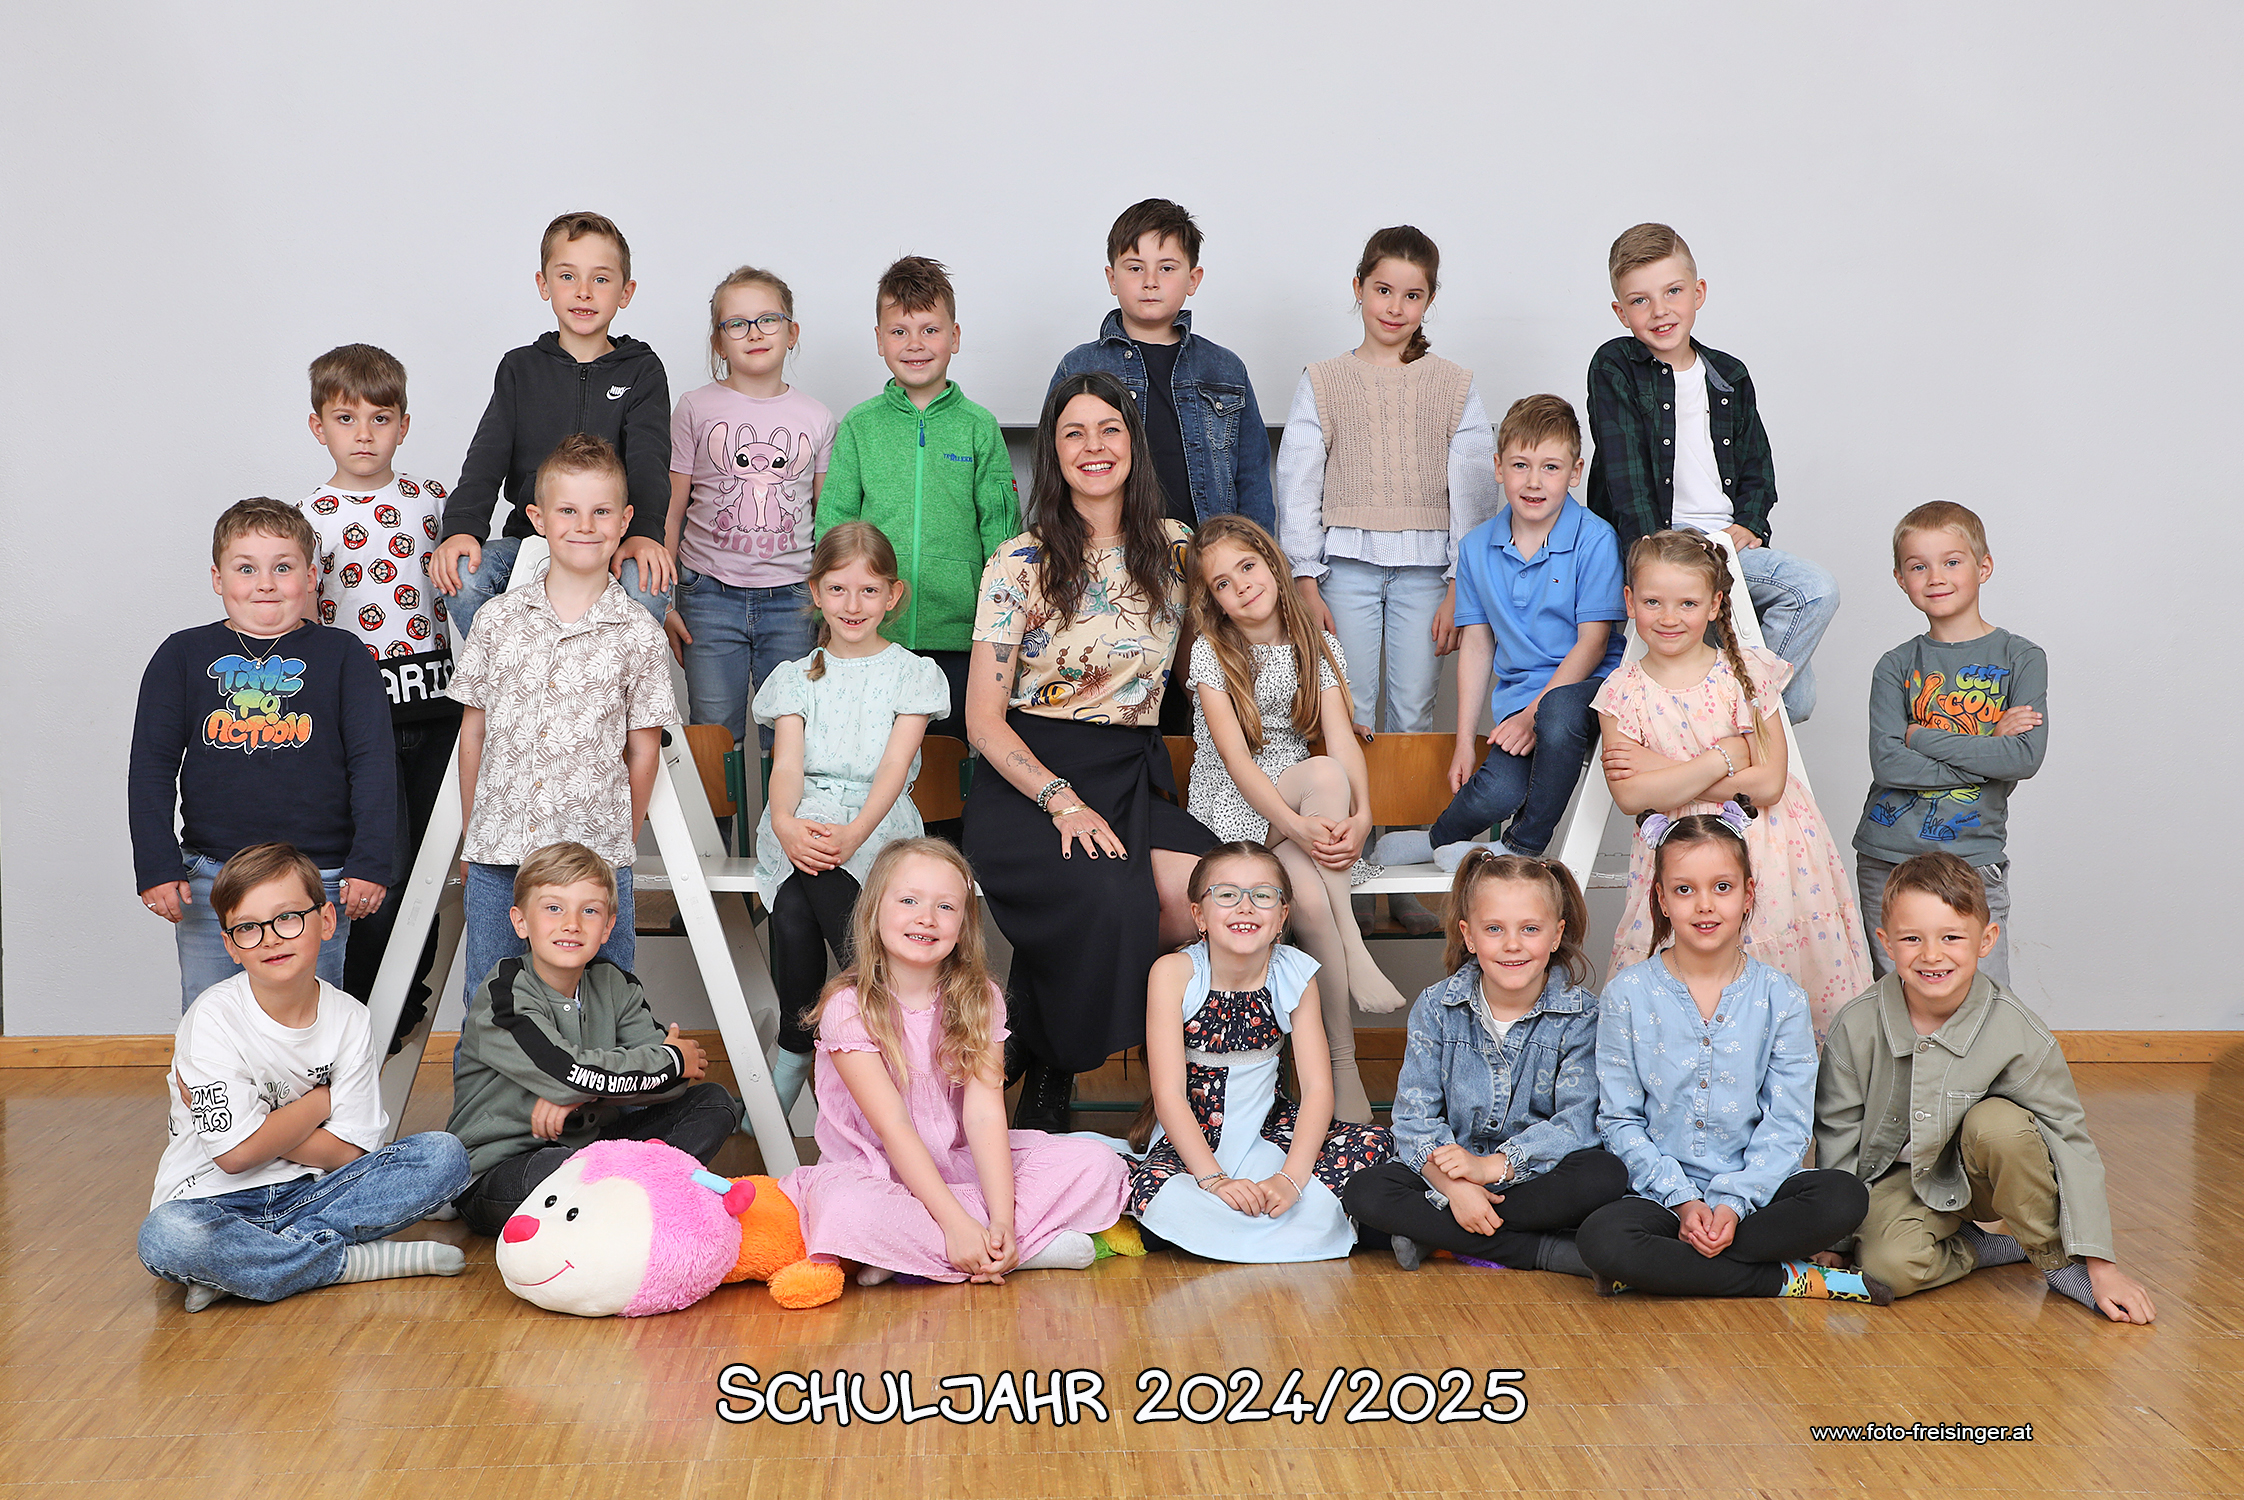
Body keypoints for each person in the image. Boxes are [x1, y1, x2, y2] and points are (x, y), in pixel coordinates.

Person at [962, 371, 1218, 1132]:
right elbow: (982, 721)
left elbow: (1216, 655)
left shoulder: (1177, 550)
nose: (1093, 446)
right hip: (1029, 777)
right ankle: (1057, 1066)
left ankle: (1035, 1044)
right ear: (1054, 451)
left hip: (1131, 771)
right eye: (1074, 433)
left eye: (1109, 429)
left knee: (1215, 896)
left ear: (1133, 443)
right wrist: (1061, 800)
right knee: (1108, 894)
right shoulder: (1019, 561)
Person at [1274, 224, 1500, 934]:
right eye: (1382, 290)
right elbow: (1298, 479)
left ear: (1429, 300)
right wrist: (1304, 578)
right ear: (1358, 289)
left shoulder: (1452, 384)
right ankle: (1353, 878)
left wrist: (1462, 584)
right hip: (1343, 564)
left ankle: (1403, 879)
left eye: (1412, 295)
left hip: (1427, 571)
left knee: (1411, 716)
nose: (1395, 307)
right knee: (1350, 717)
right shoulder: (1323, 379)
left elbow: (1474, 490)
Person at [777, 840, 1137, 1284]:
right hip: (876, 1171)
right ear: (873, 911)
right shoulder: (849, 1007)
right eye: (908, 901)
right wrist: (954, 1222)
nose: (926, 917)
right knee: (845, 1211)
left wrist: (1003, 1219)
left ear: (964, 926)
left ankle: (965, 1248)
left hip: (957, 1161)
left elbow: (985, 1116)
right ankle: (1010, 1245)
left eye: (945, 906)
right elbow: (893, 1127)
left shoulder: (981, 998)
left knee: (1099, 1164)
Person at [1814, 853, 2153, 1322]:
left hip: (1978, 1177)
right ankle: (1983, 1247)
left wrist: (2101, 1265)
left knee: (1999, 1126)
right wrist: (1833, 1240)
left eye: (1951, 937)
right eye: (1912, 938)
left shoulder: (2017, 1031)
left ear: (1986, 940)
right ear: (1885, 942)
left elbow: (2069, 1138)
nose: (1932, 955)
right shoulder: (1855, 1025)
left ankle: (2053, 1260)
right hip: (1893, 1181)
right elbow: (1837, 1134)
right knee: (1887, 1269)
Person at [138, 843, 469, 1311]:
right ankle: (347, 1262)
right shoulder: (212, 1017)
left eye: (288, 918)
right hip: (211, 1202)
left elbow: (351, 1153)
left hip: (316, 1193)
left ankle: (248, 1267)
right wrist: (319, 1103)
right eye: (248, 928)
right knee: (168, 1236)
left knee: (444, 1155)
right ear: (231, 946)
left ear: (326, 921)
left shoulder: (350, 1018)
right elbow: (234, 1157)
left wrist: (258, 1129)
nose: (271, 938)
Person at [1577, 811, 1888, 1303]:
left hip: (1756, 1199)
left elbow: (1788, 1122)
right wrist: (1682, 1201)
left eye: (1722, 887)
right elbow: (1619, 1119)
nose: (1705, 905)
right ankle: (1785, 1280)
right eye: (1684, 890)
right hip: (1659, 1200)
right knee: (1602, 1238)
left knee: (1843, 1198)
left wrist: (1732, 1203)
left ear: (1748, 894)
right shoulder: (1627, 995)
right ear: (1661, 898)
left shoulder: (1782, 998)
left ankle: (1667, 1270)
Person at [1594, 530, 1869, 1031]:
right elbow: (1631, 794)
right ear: (1630, 601)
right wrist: (1724, 757)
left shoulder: (1746, 675)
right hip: (1676, 850)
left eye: (1687, 603)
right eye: (1653, 602)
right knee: (1680, 995)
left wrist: (1662, 768)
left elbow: (1768, 786)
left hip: (1768, 846)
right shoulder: (1621, 692)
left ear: (1715, 604)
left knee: (1773, 979)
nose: (1669, 617)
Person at [131, 498, 397, 1010]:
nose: (265, 584)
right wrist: (156, 863)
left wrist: (370, 861)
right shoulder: (180, 655)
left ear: (312, 577)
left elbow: (373, 766)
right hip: (211, 876)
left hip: (318, 877)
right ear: (218, 578)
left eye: (283, 567)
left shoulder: (345, 656)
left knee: (306, 1017)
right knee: (211, 1016)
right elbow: (151, 769)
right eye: (246, 568)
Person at [1182, 513, 1405, 1124]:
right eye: (1223, 583)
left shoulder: (1316, 643)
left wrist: (1363, 818)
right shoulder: (1212, 652)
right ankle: (1355, 952)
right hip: (1236, 807)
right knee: (1323, 776)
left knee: (1307, 898)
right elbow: (1236, 762)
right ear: (1213, 600)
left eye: (1247, 567)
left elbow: (1341, 737)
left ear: (1273, 565)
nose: (1241, 586)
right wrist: (1296, 823)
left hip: (1302, 805)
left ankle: (1340, 1065)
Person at [447, 434, 677, 1002]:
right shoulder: (497, 621)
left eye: (601, 512)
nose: (585, 526)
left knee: (605, 1002)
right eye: (568, 511)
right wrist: (473, 835)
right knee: (490, 1001)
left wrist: (619, 844)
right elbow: (473, 733)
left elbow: (644, 750)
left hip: (595, 859)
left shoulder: (640, 634)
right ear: (538, 519)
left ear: (624, 521)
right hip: (500, 852)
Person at [1584, 222, 1837, 722]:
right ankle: (1725, 716)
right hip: (1664, 542)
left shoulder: (1730, 374)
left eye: (1673, 292)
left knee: (1800, 694)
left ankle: (1714, 711)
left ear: (1698, 293)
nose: (1660, 311)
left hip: (1725, 546)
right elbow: (1624, 475)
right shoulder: (1615, 366)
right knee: (1813, 596)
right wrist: (1650, 553)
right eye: (1640, 300)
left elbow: (1757, 466)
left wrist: (1751, 522)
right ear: (1620, 312)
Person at [1048, 198, 1275, 736]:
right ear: (1111, 278)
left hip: (1206, 565)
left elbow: (1251, 476)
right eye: (1134, 268)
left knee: (1213, 703)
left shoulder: (1224, 367)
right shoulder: (1081, 365)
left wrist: (1259, 561)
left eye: (1167, 268)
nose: (1150, 282)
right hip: (1116, 565)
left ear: (1193, 279)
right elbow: (1058, 464)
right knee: (1130, 698)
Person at [1342, 852, 1627, 1277]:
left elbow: (1577, 1124)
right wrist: (1457, 1188)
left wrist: (1493, 1167)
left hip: (1534, 1177)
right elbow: (1414, 1119)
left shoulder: (1582, 1015)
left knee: (1604, 1174)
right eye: (1494, 929)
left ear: (1556, 935)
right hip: (1448, 1173)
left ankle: (1435, 1234)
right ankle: (1541, 1251)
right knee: (1365, 1190)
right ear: (1469, 936)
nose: (1512, 944)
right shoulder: (1436, 1007)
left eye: (1530, 929)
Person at [752, 522, 950, 1118]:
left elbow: (894, 767)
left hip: (877, 820)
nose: (852, 604)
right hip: (804, 815)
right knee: (796, 899)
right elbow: (788, 766)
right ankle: (868, 1040)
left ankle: (804, 1045)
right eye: (837, 589)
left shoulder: (911, 673)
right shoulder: (796, 677)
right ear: (816, 592)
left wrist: (857, 832)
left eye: (869, 590)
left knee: (801, 901)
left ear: (893, 595)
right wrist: (784, 822)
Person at [445, 842, 743, 1236]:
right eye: (554, 908)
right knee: (559, 1169)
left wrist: (580, 1094)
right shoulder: (504, 994)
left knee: (713, 1102)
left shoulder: (613, 983)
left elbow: (675, 1083)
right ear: (520, 922)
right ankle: (650, 1193)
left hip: (592, 1149)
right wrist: (667, 1061)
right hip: (503, 1169)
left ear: (607, 927)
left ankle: (627, 1198)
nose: (572, 923)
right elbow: (573, 1072)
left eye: (589, 911)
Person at [294, 343, 460, 1043]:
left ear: (404, 425)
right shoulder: (308, 517)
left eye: (380, 418)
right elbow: (298, 621)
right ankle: (363, 1009)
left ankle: (405, 1000)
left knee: (431, 870)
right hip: (361, 722)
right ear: (318, 427)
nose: (364, 434)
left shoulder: (435, 502)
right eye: (346, 418)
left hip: (441, 709)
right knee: (380, 870)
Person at [1124, 843, 1392, 1261]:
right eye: (1227, 894)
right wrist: (1213, 1180)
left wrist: (1291, 1179)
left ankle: (1241, 1224)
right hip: (1194, 1144)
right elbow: (1170, 1095)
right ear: (1199, 915)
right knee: (1153, 1190)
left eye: (1263, 895)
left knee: (1376, 1141)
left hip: (1271, 1133)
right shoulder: (1175, 973)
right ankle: (1290, 1228)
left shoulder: (1294, 972)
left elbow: (1318, 1090)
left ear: (1282, 916)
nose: (1245, 907)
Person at [433, 211, 674, 645]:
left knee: (647, 583)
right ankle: (523, 673)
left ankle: (594, 679)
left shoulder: (642, 371)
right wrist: (461, 528)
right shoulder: (519, 369)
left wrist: (642, 534)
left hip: (606, 544)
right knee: (464, 574)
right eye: (567, 276)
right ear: (544, 285)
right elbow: (485, 458)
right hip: (531, 542)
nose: (583, 291)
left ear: (626, 292)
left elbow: (649, 463)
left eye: (601, 279)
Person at [814, 255, 1023, 757]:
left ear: (954, 336)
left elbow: (1003, 536)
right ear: (879, 340)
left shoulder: (978, 427)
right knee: (873, 762)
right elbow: (834, 526)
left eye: (930, 330)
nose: (915, 344)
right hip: (873, 636)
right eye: (899, 331)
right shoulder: (861, 425)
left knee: (950, 765)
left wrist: (1000, 624)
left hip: (960, 639)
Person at [1854, 502, 2044, 988]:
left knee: (1983, 997)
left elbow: (2023, 757)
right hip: (1887, 856)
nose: (1936, 577)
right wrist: (1988, 749)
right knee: (1900, 995)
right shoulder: (1895, 665)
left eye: (1952, 561)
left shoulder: (2021, 658)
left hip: (1971, 859)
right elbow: (1889, 764)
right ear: (1900, 578)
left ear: (1984, 567)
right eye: (1919, 566)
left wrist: (1919, 736)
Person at [1428, 394, 1626, 860]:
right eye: (1520, 465)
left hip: (1589, 691)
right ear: (1499, 468)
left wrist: (1534, 715)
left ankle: (1521, 848)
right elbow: (1477, 647)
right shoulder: (1475, 548)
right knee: (1493, 794)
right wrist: (1464, 744)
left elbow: (1593, 642)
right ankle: (1431, 843)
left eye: (1551, 468)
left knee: (1557, 713)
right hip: (1521, 702)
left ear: (1575, 472)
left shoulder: (1596, 539)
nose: (1534, 482)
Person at [662, 265, 836, 772]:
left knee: (791, 736)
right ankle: (720, 828)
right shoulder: (694, 408)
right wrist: (665, 601)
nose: (754, 332)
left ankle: (782, 828)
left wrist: (827, 608)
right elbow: (672, 510)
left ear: (791, 332)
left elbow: (826, 520)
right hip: (708, 596)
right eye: (736, 324)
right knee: (714, 736)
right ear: (718, 342)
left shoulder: (817, 417)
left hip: (794, 601)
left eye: (768, 320)